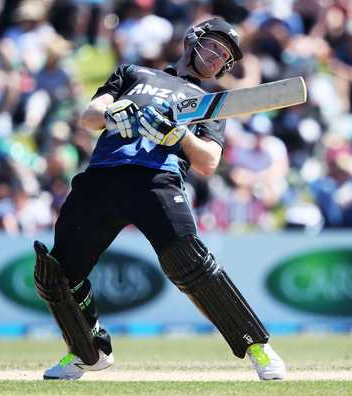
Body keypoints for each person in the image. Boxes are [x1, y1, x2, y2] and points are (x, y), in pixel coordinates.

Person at [33, 17, 286, 381]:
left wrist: (178, 136)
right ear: (193, 40)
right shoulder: (133, 73)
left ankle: (256, 347)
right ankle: (89, 352)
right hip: (103, 177)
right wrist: (113, 113)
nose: (218, 58)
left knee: (191, 263)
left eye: (226, 56)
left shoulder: (208, 100)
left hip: (158, 180)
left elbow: (209, 161)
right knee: (56, 275)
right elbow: (90, 116)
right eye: (215, 46)